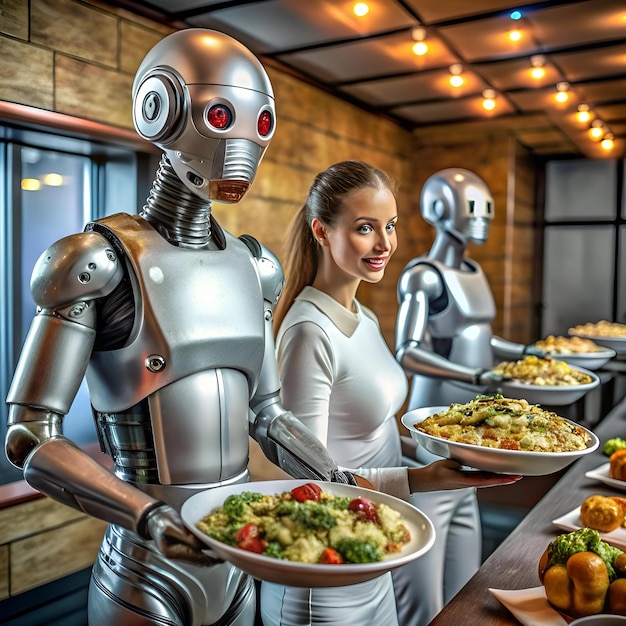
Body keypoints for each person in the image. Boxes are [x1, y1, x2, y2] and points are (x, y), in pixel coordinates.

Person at [4, 29, 361, 626]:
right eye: (221, 115)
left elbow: (268, 414)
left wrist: (336, 477)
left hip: (239, 549)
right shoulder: (96, 261)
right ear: (162, 109)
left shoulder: (255, 266)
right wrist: (144, 515)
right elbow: (29, 437)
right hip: (146, 561)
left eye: (258, 125)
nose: (240, 142)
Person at [263, 161, 521, 626]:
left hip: (374, 541)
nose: (385, 245)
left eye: (391, 226)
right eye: (366, 228)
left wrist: (451, 451)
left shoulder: (363, 315)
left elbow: (371, 432)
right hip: (324, 566)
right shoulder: (308, 333)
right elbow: (306, 482)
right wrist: (425, 478)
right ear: (321, 231)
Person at [394, 167, 545, 623]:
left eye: (487, 210)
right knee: (422, 563)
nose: (483, 218)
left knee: (466, 568)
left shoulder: (474, 271)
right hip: (437, 425)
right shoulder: (423, 275)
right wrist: (478, 376)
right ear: (441, 209)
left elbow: (485, 336)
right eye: (474, 207)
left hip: (476, 431)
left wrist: (530, 353)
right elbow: (408, 350)